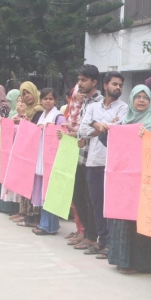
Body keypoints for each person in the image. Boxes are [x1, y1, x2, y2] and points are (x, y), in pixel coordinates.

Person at [106, 85, 151, 274]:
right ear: (131, 99)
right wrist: (107, 130)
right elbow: (111, 147)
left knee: (141, 221)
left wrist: (149, 138)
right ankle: (122, 260)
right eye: (137, 97)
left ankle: (141, 264)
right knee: (123, 220)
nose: (141, 100)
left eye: (145, 97)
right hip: (124, 181)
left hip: (145, 181)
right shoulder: (123, 122)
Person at [79, 70, 127, 256]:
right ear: (105, 86)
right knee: (96, 203)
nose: (118, 88)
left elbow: (117, 130)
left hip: (112, 163)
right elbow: (82, 130)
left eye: (120, 85)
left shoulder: (123, 108)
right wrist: (100, 126)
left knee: (111, 204)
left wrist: (96, 124)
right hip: (93, 161)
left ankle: (110, 243)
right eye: (114, 84)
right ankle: (101, 240)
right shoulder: (93, 107)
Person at [66, 67, 102, 253]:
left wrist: (84, 132)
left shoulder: (100, 103)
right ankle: (86, 234)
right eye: (79, 79)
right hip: (81, 155)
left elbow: (97, 130)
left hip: (93, 157)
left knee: (91, 199)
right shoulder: (85, 102)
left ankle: (93, 237)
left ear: (94, 82)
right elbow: (84, 130)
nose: (80, 83)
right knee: (79, 196)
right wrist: (75, 133)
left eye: (84, 80)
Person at [31, 88, 67, 235]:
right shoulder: (41, 116)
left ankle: (49, 226)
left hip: (52, 160)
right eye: (45, 99)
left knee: (50, 192)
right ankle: (45, 223)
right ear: (41, 100)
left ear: (55, 101)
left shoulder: (58, 117)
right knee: (43, 192)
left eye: (50, 99)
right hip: (41, 157)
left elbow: (64, 134)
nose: (47, 101)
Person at [15, 81, 45, 227]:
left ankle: (33, 218)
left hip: (36, 153)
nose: (27, 96)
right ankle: (26, 215)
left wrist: (22, 117)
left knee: (34, 186)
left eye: (29, 92)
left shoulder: (39, 110)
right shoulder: (28, 109)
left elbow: (33, 131)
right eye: (24, 94)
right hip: (27, 152)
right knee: (26, 183)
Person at [60, 84, 87, 242]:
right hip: (70, 150)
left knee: (81, 195)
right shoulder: (71, 111)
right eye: (76, 94)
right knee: (73, 194)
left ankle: (84, 231)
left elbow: (84, 131)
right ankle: (79, 229)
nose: (78, 97)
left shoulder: (87, 109)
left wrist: (73, 133)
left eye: (81, 93)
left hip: (82, 153)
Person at [0, 89, 21, 216]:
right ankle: (2, 204)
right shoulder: (12, 113)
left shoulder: (21, 115)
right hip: (7, 149)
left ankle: (11, 207)